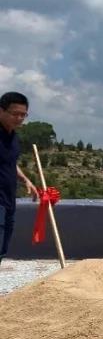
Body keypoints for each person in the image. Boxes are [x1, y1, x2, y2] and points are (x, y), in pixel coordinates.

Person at [0, 92, 40, 265]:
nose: (19, 118)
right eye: (15, 114)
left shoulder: (13, 138)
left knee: (3, 248)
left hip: (9, 200)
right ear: (1, 111)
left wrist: (25, 180)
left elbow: (10, 163)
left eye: (23, 115)